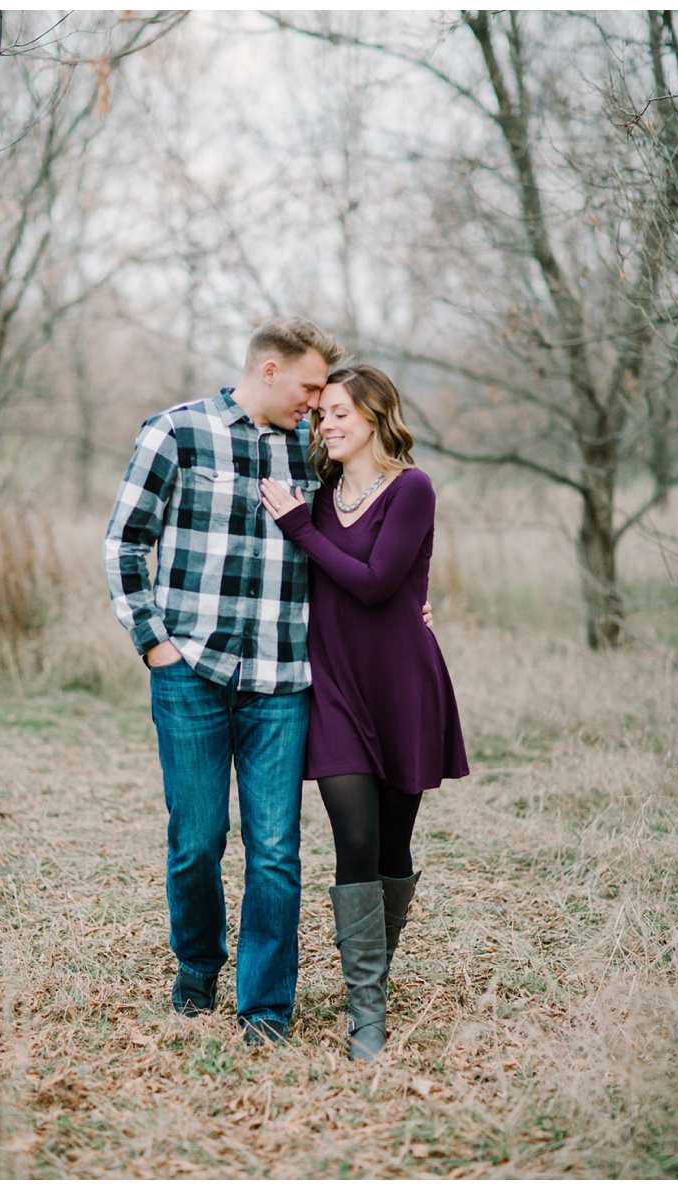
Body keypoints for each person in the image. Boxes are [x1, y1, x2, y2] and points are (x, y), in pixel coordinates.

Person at [104, 316, 344, 1046]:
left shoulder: (315, 447)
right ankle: (198, 970)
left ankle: (266, 1009)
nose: (316, 401)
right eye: (308, 386)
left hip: (283, 679)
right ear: (268, 369)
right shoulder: (177, 433)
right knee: (197, 841)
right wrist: (154, 646)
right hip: (191, 675)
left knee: (275, 849)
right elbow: (124, 544)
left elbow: (359, 532)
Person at [261, 363, 469, 1061]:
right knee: (353, 839)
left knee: (390, 847)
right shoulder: (317, 500)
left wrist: (298, 528)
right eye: (323, 415)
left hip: (404, 684)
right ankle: (366, 1011)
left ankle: (375, 971)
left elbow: (379, 583)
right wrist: (300, 523)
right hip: (337, 690)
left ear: (378, 416)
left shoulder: (412, 489)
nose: (328, 425)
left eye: (342, 412)